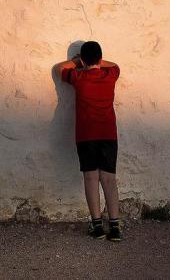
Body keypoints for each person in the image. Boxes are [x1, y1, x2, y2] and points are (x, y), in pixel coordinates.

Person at [55, 40, 122, 241]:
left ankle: (97, 225)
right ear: (100, 59)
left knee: (91, 178)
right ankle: (115, 227)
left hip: (86, 136)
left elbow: (59, 68)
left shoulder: (78, 77)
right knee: (109, 179)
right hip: (108, 134)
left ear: (83, 61)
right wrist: (97, 61)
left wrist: (76, 61)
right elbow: (115, 65)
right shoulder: (110, 75)